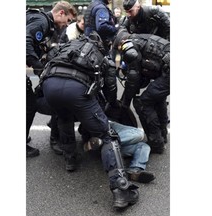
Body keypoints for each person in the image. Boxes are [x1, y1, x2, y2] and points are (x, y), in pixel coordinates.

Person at [40, 33, 139, 209]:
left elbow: (47, 60)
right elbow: (110, 87)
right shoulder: (100, 53)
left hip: (49, 85)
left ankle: (71, 159)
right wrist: (109, 106)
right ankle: (121, 190)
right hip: (76, 88)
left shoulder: (67, 46)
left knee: (64, 118)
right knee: (108, 135)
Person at [26, 1, 77, 157]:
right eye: (68, 20)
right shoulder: (42, 21)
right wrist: (38, 67)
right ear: (61, 13)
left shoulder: (47, 24)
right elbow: (25, 42)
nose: (67, 24)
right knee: (29, 103)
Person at [113, 29, 170, 154]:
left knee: (143, 102)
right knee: (157, 99)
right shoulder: (140, 39)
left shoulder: (129, 46)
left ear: (121, 42)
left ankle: (156, 143)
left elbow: (134, 77)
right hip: (167, 71)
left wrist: (126, 102)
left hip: (169, 72)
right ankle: (162, 136)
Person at [84, 120, 155, 184]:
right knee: (139, 133)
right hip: (103, 124)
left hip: (112, 143)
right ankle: (106, 143)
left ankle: (134, 171)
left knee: (143, 146)